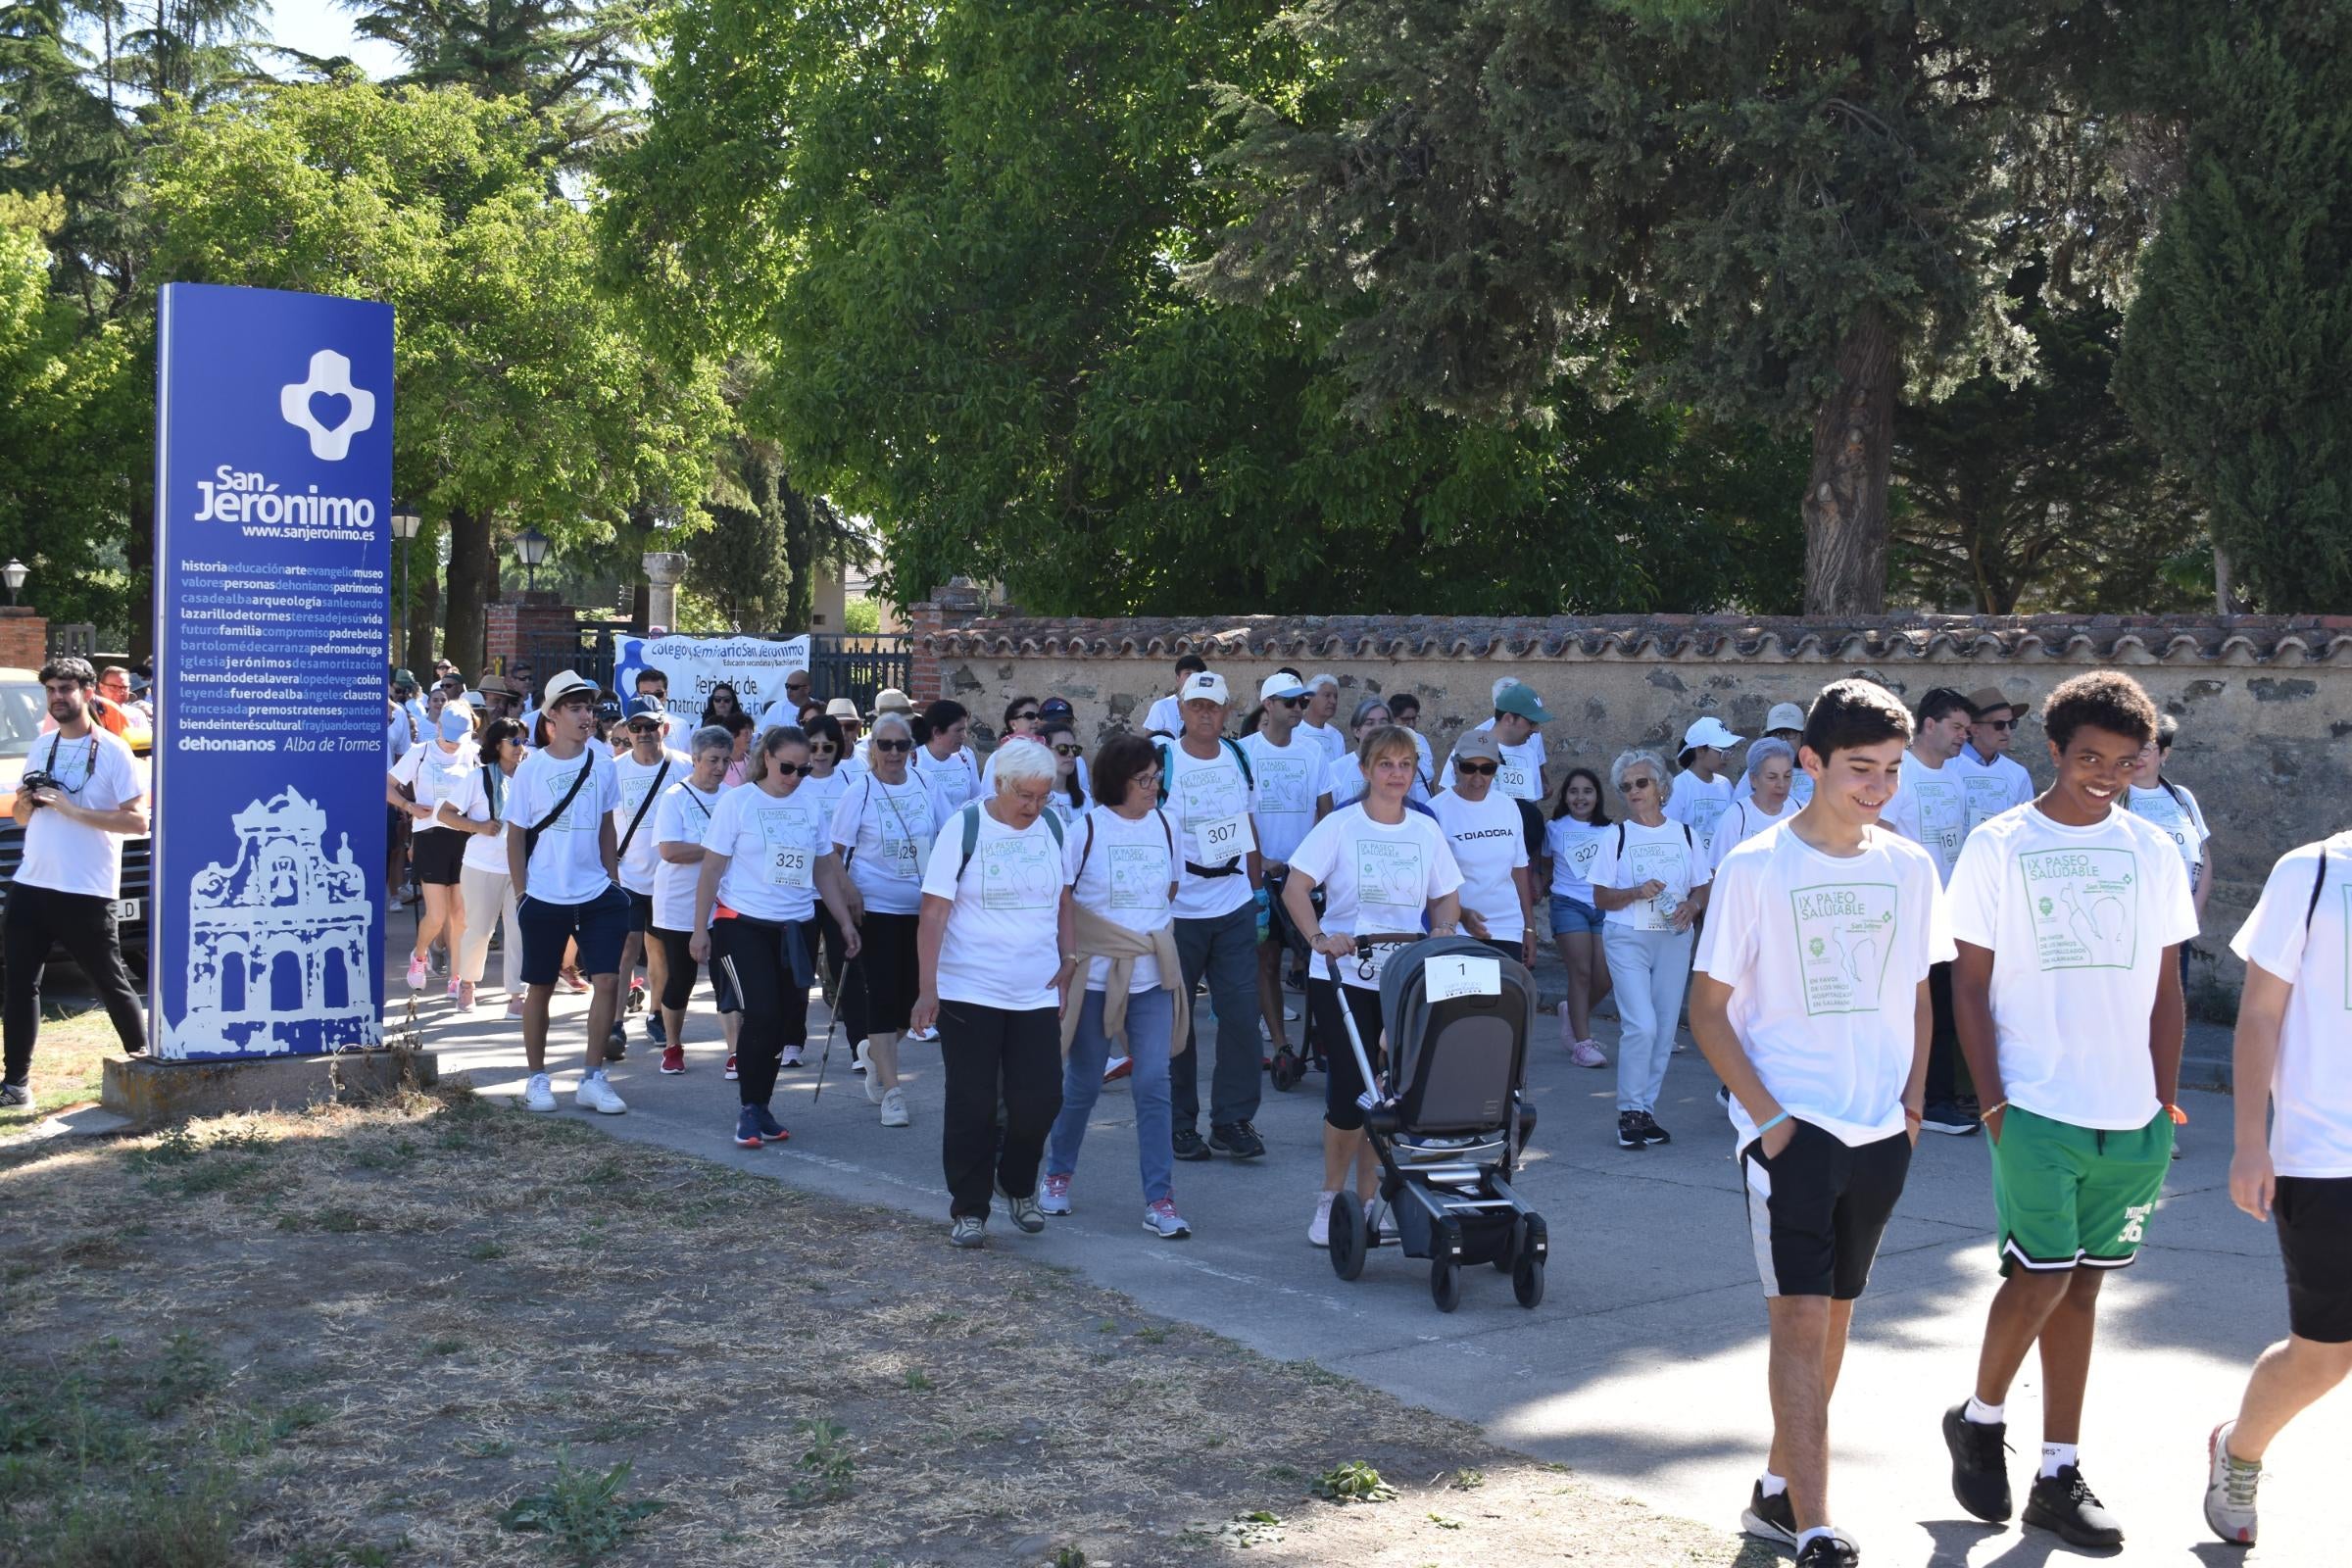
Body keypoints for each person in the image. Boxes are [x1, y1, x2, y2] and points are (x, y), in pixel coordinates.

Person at [1690, 678, 1947, 1568]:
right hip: (1794, 1133)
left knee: (1834, 1323)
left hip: (1881, 1134)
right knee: (1799, 1322)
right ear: (1811, 763)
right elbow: (1709, 1010)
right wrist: (1770, 1121)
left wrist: (1912, 1104)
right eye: (1859, 770)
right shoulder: (1756, 867)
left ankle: (1775, 1493)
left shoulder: (1909, 865)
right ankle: (1815, 1526)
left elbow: (1919, 990)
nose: (1877, 788)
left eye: (1890, 771)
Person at [1939, 670, 2196, 1552]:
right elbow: (1967, 987)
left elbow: (2168, 993)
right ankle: (1979, 1417)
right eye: (2090, 757)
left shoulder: (2153, 850)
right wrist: (1995, 1102)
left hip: (2131, 1117)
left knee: (2084, 1286)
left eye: (2124, 762)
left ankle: (2057, 1470)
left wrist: (2163, 1102)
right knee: (2042, 1275)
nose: (2105, 775)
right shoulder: (1999, 844)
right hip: (2036, 1103)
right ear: (2055, 750)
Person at [2207, 826, 2352, 1546]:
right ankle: (2240, 1449)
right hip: (2326, 1155)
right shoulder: (2315, 871)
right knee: (2325, 1355)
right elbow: (2261, 1013)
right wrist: (2248, 1143)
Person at [1284, 723, 1464, 1246]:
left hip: (1404, 978)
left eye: (1404, 765)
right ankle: (1330, 1199)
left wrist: (1444, 932)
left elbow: (1446, 894)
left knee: (1386, 1098)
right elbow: (1298, 887)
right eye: (1385, 764)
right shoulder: (1341, 825)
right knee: (1351, 1094)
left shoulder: (1425, 830)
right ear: (1365, 770)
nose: (1395, 774)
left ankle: (1369, 1201)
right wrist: (1319, 937)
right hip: (1344, 977)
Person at [913, 739, 1073, 1248]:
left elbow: (1064, 898)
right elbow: (934, 912)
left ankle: (1018, 1183)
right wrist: (926, 989)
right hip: (970, 989)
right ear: (1001, 784)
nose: (1034, 807)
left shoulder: (1052, 826)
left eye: (1043, 796)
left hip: (1035, 991)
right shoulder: (965, 827)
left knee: (1041, 1099)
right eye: (1026, 795)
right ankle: (970, 1209)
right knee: (973, 1103)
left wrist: (1069, 959)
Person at [1040, 732, 1192, 1239]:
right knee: (1083, 1083)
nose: (1154, 788)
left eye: (1156, 778)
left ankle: (1160, 1199)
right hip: (1096, 977)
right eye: (1143, 780)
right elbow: (1064, 900)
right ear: (1115, 782)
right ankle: (1058, 1174)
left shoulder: (1168, 825)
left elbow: (1169, 889)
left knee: (1153, 1082)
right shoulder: (1085, 829)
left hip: (1152, 978)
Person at [691, 726, 860, 1148]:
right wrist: (699, 929)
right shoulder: (738, 802)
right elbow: (711, 868)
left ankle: (762, 1106)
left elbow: (823, 867)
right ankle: (749, 1108)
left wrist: (842, 921)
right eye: (787, 767)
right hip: (742, 923)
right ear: (766, 758)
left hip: (797, 926)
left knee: (784, 1022)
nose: (794, 777)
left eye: (803, 770)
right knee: (762, 1014)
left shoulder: (809, 804)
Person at [0, 659, 148, 1102]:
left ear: (87, 692)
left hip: (85, 889)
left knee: (110, 981)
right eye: (50, 690)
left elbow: (138, 821)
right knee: (20, 983)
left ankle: (146, 1067)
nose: (57, 697)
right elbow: (23, 818)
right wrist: (26, 803)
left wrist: (74, 810)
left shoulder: (114, 750)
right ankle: (16, 1084)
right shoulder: (42, 745)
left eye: (66, 688)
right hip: (32, 883)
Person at [504, 670, 632, 1116]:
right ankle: (537, 1078)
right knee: (539, 986)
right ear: (552, 715)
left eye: (590, 708)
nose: (587, 716)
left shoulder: (602, 764)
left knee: (609, 981)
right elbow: (516, 835)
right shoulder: (532, 768)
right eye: (576, 708)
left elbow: (606, 826)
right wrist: (522, 894)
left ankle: (593, 1078)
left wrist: (613, 881)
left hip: (596, 891)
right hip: (543, 893)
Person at [1155, 670, 1269, 1163]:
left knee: (1243, 1016)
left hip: (1233, 903)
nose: (1205, 713)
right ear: (1181, 709)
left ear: (1226, 711)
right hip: (1179, 911)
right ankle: (1180, 1123)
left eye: (1214, 706)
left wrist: (1258, 890)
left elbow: (1248, 822)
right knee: (1177, 1020)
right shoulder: (1164, 760)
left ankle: (1232, 1120)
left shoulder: (1239, 756)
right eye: (1196, 705)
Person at [1591, 749, 1711, 1150]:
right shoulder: (1617, 836)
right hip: (1627, 937)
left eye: (1641, 782)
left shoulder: (1686, 834)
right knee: (1640, 1024)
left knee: (1661, 1029)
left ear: (1661, 786)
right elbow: (1601, 898)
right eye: (1626, 786)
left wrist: (1693, 906)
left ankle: (1645, 1111)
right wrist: (1636, 892)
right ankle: (1628, 1111)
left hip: (1673, 938)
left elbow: (1703, 883)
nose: (1634, 791)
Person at [830, 710, 944, 1127]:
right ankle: (893, 1092)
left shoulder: (927, 784)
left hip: (922, 911)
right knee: (880, 996)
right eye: (885, 745)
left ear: (911, 749)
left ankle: (874, 1053)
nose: (893, 753)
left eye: (901, 745)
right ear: (871, 748)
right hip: (875, 910)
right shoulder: (858, 791)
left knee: (911, 1005)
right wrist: (849, 893)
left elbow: (948, 836)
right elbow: (833, 854)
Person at [1880, 686, 1981, 1138]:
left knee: (1943, 1007)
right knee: (1915, 1008)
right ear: (1930, 725)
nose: (1965, 736)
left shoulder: (1957, 777)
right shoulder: (1903, 775)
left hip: (1950, 912)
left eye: (1967, 729)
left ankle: (1935, 1097)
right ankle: (1928, 1101)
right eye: (1958, 727)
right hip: (1908, 914)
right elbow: (1877, 838)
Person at [1239, 673, 1331, 1063]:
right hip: (1260, 878)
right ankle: (1280, 1044)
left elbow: (1325, 815)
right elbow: (1239, 817)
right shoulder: (1243, 752)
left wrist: (1308, 867)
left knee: (1316, 961)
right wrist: (1261, 866)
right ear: (1269, 705)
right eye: (1291, 702)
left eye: (1302, 702)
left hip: (1305, 878)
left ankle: (1323, 1035)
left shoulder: (1314, 753)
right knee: (1268, 959)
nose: (1299, 708)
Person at [648, 725, 733, 1075]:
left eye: (726, 760)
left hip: (725, 903)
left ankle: (735, 1052)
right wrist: (715, 849)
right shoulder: (675, 797)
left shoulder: (734, 797)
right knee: (680, 980)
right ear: (695, 759)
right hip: (679, 904)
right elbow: (669, 851)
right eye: (712, 760)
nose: (719, 768)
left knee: (727, 979)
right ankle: (672, 1045)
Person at [391, 698, 480, 999]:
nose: (454, 744)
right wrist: (408, 805)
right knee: (438, 914)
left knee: (460, 915)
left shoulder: (474, 754)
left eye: (459, 737)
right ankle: (419, 956)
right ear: (438, 726)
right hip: (430, 835)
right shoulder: (421, 752)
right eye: (449, 736)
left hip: (464, 837)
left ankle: (457, 976)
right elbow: (386, 783)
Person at [611, 696, 686, 1053]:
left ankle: (656, 1015)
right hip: (627, 876)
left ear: (664, 728)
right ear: (626, 730)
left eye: (650, 726)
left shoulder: (684, 767)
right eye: (636, 727)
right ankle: (614, 1023)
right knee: (624, 948)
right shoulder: (615, 769)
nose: (643, 733)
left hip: (670, 880)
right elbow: (603, 825)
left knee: (660, 950)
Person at [440, 716, 527, 1016]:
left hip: (521, 867)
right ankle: (467, 983)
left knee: (519, 930)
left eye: (523, 742)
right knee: (478, 930)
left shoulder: (529, 776)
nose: (520, 748)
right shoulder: (478, 778)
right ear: (497, 744)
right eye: (514, 741)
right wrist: (477, 826)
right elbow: (445, 814)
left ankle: (518, 993)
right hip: (481, 865)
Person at [1430, 732, 1535, 966]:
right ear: (1455, 766)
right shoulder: (1436, 811)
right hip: (1457, 929)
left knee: (1506, 1000)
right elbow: (1430, 882)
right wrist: (1461, 914)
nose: (1478, 778)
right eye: (1469, 767)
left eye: (1487, 769)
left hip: (1508, 928)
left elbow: (1519, 870)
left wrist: (1529, 927)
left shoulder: (1508, 806)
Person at [2126, 714, 2213, 969]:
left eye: (2146, 748)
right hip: (2132, 924)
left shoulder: (2182, 797)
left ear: (2164, 754)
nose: (2137, 756)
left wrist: (2194, 911)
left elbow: (2203, 857)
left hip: (2176, 923)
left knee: (2172, 1000)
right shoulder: (2111, 797)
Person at [795, 712, 859, 1044]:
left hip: (838, 889)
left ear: (840, 748)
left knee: (844, 965)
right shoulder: (795, 780)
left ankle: (857, 1047)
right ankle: (793, 1041)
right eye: (814, 746)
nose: (820, 753)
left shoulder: (852, 780)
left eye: (827, 746)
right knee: (799, 971)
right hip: (800, 892)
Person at [1545, 766, 1614, 1069]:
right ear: (1565, 796)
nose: (1580, 797)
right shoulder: (1554, 828)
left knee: (1606, 976)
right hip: (1568, 905)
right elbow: (1545, 864)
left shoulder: (1611, 831)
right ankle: (1582, 1044)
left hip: (1603, 907)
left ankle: (1571, 1011)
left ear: (1597, 796)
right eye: (1574, 791)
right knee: (1582, 972)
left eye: (1587, 791)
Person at [1440, 681, 1552, 803]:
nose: (1536, 730)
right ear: (1509, 719)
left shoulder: (1530, 754)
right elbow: (1445, 793)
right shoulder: (1469, 748)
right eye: (1532, 722)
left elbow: (1531, 805)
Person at [1711, 739, 1801, 874]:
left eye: (1787, 776)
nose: (1781, 784)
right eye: (1772, 777)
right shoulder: (1736, 817)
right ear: (1753, 779)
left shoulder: (1802, 812)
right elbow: (1717, 872)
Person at [1957, 685, 2035, 830]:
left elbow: (2026, 826)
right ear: (1974, 729)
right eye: (1999, 725)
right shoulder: (1947, 766)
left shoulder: (2018, 774)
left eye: (2011, 724)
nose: (2007, 732)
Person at [1665, 716, 1743, 861]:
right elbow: (1668, 832)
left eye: (1730, 750)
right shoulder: (1680, 786)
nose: (1727, 757)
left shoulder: (1725, 785)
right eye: (1722, 751)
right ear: (1700, 750)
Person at [1734, 703, 1814, 808]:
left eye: (1789, 733)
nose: (1784, 740)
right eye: (1777, 734)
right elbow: (1738, 806)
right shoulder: (1756, 770)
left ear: (1802, 737)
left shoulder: (1816, 770)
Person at [912, 699, 981, 810]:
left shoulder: (966, 757)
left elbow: (977, 799)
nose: (964, 736)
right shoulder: (913, 761)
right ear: (937, 732)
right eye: (958, 730)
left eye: (964, 730)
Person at [1325, 698, 1392, 808]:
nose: (1378, 728)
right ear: (1357, 731)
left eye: (1383, 722)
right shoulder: (1336, 770)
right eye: (1370, 723)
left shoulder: (1400, 770)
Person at [1388, 691, 1438, 798]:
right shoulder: (1384, 744)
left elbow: (1429, 779)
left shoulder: (1421, 740)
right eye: (1405, 719)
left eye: (1414, 718)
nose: (1411, 724)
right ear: (1391, 719)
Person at [1144, 655, 1207, 737]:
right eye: (1188, 673)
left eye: (1197, 675)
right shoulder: (1161, 707)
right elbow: (1151, 744)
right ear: (1177, 677)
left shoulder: (1207, 708)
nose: (1193, 678)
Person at [1298, 672, 1348, 766]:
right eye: (1327, 695)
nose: (1333, 701)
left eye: (1335, 697)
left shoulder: (1336, 736)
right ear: (1310, 697)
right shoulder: (1294, 731)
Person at [825, 697, 865, 764]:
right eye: (836, 726)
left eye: (849, 726)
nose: (843, 733)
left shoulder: (870, 758)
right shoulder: (816, 761)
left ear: (858, 728)